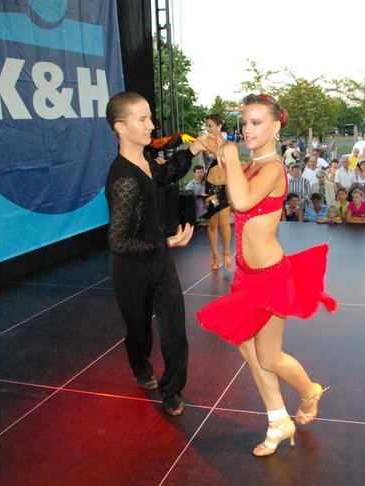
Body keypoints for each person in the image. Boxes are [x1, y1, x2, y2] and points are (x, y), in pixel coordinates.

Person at [197, 94, 337, 457]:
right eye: (245, 122)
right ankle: (278, 420)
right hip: (246, 274)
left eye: (257, 123)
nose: (248, 129)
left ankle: (309, 392)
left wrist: (228, 154)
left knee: (269, 357)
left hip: (270, 276)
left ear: (275, 126)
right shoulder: (249, 166)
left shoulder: (273, 168)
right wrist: (219, 152)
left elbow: (243, 202)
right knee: (248, 347)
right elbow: (225, 186)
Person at [105, 91, 214, 416]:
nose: (151, 125)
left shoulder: (146, 163)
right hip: (131, 269)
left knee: (175, 332)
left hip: (160, 262)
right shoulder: (123, 179)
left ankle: (172, 390)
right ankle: (140, 367)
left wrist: (194, 147)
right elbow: (118, 242)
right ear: (121, 127)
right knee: (139, 334)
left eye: (150, 118)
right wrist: (167, 244)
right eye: (143, 119)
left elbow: (166, 173)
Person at [202, 114, 233, 270]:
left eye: (211, 125)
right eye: (206, 126)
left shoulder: (229, 145)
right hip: (211, 188)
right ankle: (215, 255)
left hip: (225, 187)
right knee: (213, 223)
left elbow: (231, 165)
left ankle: (226, 254)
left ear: (219, 126)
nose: (208, 129)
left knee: (224, 223)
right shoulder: (205, 142)